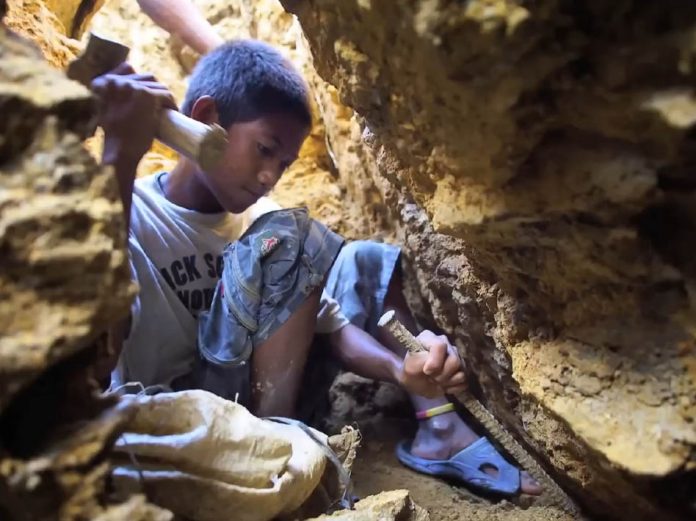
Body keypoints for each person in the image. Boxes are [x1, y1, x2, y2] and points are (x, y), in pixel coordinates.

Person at [96, 1, 542, 496]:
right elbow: (95, 340)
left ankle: (297, 442)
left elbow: (334, 331)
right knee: (295, 236)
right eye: (265, 150)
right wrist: (119, 156)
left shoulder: (258, 221)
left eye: (284, 164)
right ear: (206, 118)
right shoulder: (125, 211)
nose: (269, 178)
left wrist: (405, 373)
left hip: (253, 402)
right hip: (176, 411)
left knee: (347, 252)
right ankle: (277, 450)